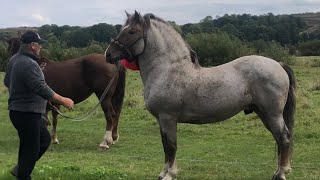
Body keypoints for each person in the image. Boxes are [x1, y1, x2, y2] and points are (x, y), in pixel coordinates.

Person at [3, 30, 74, 180]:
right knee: (31, 149)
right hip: (27, 114)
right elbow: (41, 88)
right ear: (33, 45)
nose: (41, 47)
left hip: (20, 112)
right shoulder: (29, 64)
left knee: (42, 141)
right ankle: (23, 175)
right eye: (39, 44)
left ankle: (21, 170)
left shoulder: (14, 60)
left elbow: (6, 82)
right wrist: (64, 100)